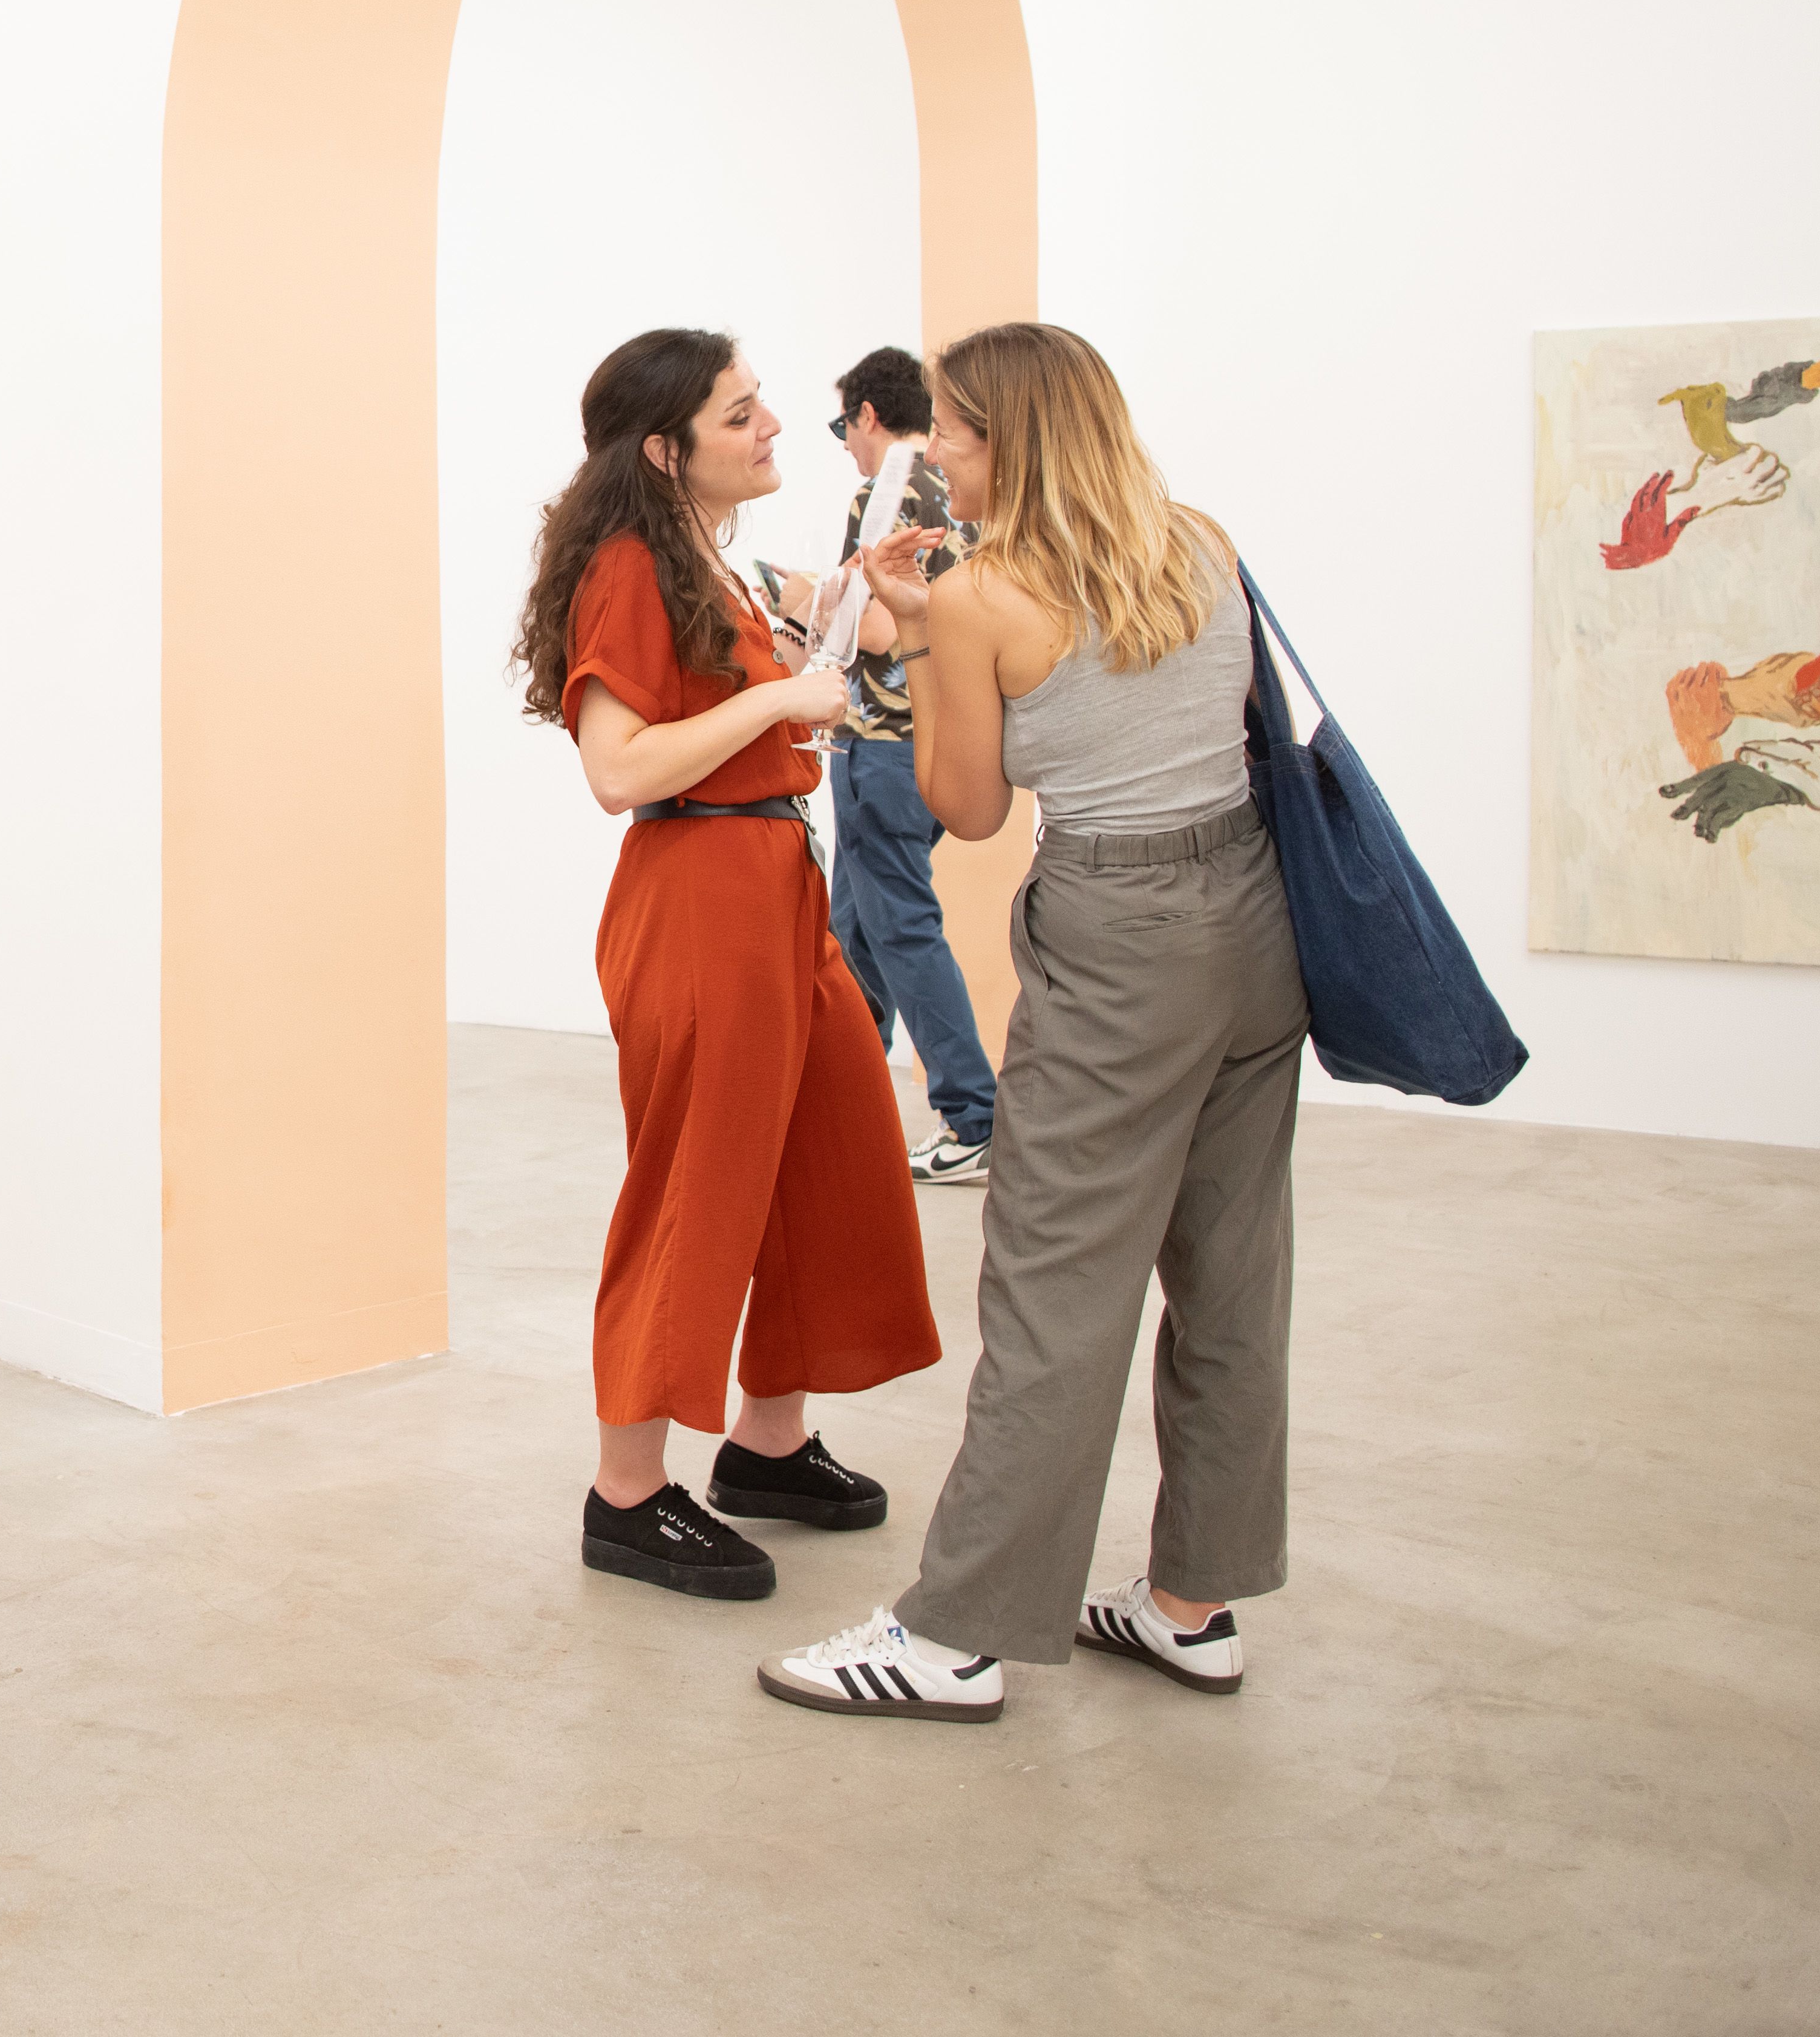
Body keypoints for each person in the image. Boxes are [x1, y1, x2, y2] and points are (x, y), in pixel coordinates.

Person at [761, 322, 1308, 1727]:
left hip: (1122, 937)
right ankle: (1194, 1607)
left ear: (1013, 442)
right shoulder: (1201, 538)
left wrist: (928, 632)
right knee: (1232, 1274)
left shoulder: (986, 598)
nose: (933, 450)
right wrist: (939, 612)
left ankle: (957, 1635)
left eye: (952, 428)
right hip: (1254, 925)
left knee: (1054, 1289)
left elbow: (971, 809)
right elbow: (1221, 716)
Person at [516, 330, 940, 1603]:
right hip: (699, 893)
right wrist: (779, 706)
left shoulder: (719, 560)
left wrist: (857, 592)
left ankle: (764, 1442)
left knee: (834, 1156)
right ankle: (629, 1491)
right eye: (742, 413)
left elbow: (787, 653)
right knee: (695, 1186)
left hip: (774, 887)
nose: (772, 429)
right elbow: (619, 767)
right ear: (667, 448)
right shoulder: (633, 566)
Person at [805, 345, 1001, 1181]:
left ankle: (975, 1115)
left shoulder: (883, 490)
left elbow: (877, 629)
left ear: (868, 417)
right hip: (945, 737)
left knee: (900, 933)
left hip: (882, 749)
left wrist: (795, 601)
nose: (845, 443)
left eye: (841, 426)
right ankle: (841, 1113)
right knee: (857, 937)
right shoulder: (965, 498)